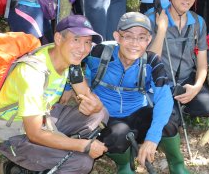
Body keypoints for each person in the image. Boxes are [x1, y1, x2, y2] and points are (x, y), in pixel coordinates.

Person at [73, 12, 188, 174]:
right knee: (117, 135)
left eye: (142, 38)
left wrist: (152, 138)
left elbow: (164, 98)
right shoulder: (99, 53)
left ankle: (177, 165)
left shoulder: (152, 62)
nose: (135, 43)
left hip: (138, 113)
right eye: (128, 36)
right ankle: (124, 165)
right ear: (117, 37)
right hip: (106, 117)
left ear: (148, 40)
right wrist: (67, 89)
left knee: (169, 120)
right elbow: (71, 62)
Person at [0, 15, 108, 173]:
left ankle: (47, 158)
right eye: (76, 40)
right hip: (12, 135)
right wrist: (83, 146)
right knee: (81, 162)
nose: (83, 48)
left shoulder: (69, 62)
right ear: (59, 38)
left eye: (87, 42)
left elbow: (87, 95)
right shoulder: (33, 72)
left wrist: (97, 105)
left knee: (100, 113)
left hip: (43, 118)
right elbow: (35, 133)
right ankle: (19, 166)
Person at [147, 0, 209, 119]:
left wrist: (196, 88)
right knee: (171, 119)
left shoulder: (198, 22)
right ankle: (173, 110)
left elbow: (202, 63)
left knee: (208, 106)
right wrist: (161, 30)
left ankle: (180, 106)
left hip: (185, 80)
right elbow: (149, 62)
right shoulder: (152, 19)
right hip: (160, 83)